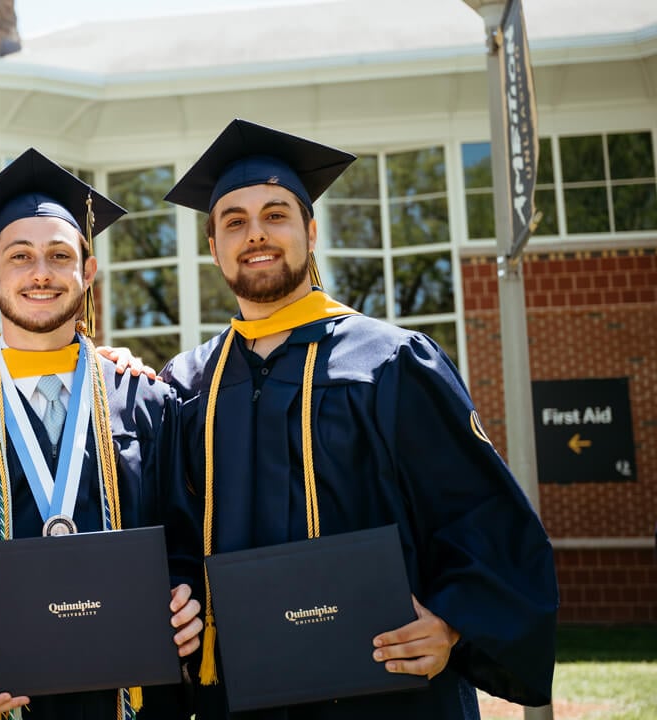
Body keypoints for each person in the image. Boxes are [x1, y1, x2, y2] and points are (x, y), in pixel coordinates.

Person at [159, 119, 558, 719]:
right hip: (241, 697)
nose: (256, 235)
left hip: (387, 694)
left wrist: (451, 622)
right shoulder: (188, 385)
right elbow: (174, 538)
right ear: (212, 246)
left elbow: (480, 513)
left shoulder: (393, 362)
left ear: (311, 232)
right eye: (234, 222)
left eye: (276, 214)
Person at [0, 148, 203, 719]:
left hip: (131, 698)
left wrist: (189, 598)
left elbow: (189, 536)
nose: (40, 272)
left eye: (59, 255)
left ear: (87, 273)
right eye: (20, 256)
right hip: (2, 697)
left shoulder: (146, 402)